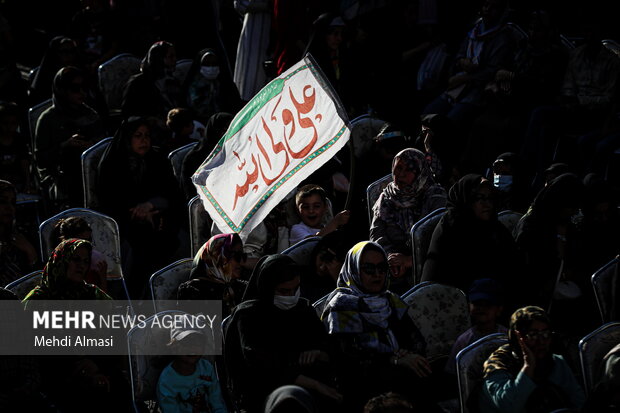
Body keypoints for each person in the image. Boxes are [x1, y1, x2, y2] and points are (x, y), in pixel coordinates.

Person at [322, 241, 440, 412]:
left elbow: (416, 340)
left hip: (399, 375)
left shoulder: (390, 300)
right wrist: (393, 359)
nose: (377, 274)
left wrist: (407, 355)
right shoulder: (341, 306)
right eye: (369, 269)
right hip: (363, 384)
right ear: (354, 269)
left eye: (382, 268)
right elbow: (347, 358)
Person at [225, 254, 341, 413]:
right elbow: (260, 364)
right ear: (267, 288)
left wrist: (320, 354)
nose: (291, 296)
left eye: (295, 289)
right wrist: (312, 384)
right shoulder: (249, 316)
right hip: (266, 393)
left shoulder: (303, 309)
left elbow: (328, 346)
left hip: (314, 387)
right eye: (284, 291)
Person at [97, 117, 182, 298]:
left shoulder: (157, 159)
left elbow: (173, 192)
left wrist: (150, 206)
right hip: (122, 223)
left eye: (147, 136)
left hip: (159, 217)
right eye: (138, 136)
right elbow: (110, 202)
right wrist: (138, 214)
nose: (144, 140)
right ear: (127, 138)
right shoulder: (112, 164)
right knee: (136, 244)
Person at [421, 174, 521, 295]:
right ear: (466, 199)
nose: (487, 204)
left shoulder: (495, 228)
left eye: (490, 198)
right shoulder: (451, 229)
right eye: (480, 198)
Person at [479, 306, 585, 412]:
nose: (541, 341)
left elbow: (578, 402)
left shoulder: (555, 362)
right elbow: (508, 406)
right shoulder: (497, 365)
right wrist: (528, 367)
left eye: (545, 333)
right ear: (518, 337)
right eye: (533, 334)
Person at [370, 148, 447, 282]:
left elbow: (442, 241)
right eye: (398, 168)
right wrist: (391, 259)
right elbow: (377, 236)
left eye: (409, 170)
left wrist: (409, 261)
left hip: (431, 267)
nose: (401, 174)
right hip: (394, 271)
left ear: (420, 171)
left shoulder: (435, 196)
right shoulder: (385, 199)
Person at [34, 66, 105, 208]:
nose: (82, 93)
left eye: (83, 88)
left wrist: (91, 146)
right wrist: (65, 146)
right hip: (59, 174)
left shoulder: (90, 115)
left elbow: (104, 145)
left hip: (89, 171)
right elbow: (40, 160)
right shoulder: (48, 119)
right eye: (74, 89)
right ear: (62, 90)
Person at [157, 323, 227, 413]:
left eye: (198, 343)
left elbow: (216, 401)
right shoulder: (166, 381)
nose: (192, 348)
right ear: (174, 347)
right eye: (187, 343)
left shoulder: (206, 368)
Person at [445, 278, 508, 375]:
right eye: (477, 304)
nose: (482, 308)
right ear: (469, 306)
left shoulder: (506, 337)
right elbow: (452, 373)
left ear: (499, 309)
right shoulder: (464, 341)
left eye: (488, 305)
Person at [182, 233, 248, 316]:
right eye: (237, 256)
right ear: (218, 257)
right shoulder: (194, 291)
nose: (242, 262)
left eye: (243, 256)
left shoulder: (242, 287)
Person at [121, 41, 183, 121]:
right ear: (158, 58)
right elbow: (128, 114)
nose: (175, 59)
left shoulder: (173, 81)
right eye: (170, 56)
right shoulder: (138, 83)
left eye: (175, 56)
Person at [181, 112, 233, 201]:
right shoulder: (194, 158)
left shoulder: (235, 149)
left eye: (231, 131)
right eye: (223, 131)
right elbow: (191, 193)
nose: (227, 136)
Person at [183, 49, 241, 125]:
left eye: (214, 64)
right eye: (207, 64)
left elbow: (235, 105)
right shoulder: (191, 87)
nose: (211, 67)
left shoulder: (226, 84)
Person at [50, 216, 108, 291]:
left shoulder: (93, 263)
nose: (82, 265)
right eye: (76, 259)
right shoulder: (57, 263)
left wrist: (102, 277)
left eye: (88, 241)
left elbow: (102, 299)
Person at [0, 180, 38, 286]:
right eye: (3, 201)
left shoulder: (21, 238)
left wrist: (30, 252)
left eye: (13, 202)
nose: (9, 208)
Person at [233, 0, 272, 102]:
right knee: (250, 85)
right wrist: (270, 6)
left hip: (277, 34)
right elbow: (240, 4)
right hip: (254, 33)